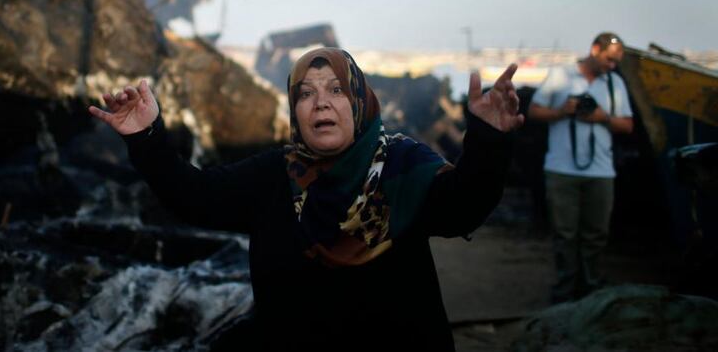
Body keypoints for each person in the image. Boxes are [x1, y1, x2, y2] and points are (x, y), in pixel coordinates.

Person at [89, 47, 524, 351]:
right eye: (306, 93)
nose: (321, 103)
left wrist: (488, 140)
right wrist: (146, 137)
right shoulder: (273, 175)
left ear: (358, 102)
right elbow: (193, 196)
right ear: (294, 109)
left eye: (336, 90)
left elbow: (463, 208)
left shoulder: (401, 165)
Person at [528, 32, 634, 303]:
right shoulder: (561, 76)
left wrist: (602, 117)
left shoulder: (615, 83)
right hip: (561, 169)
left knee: (596, 234)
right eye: (609, 59)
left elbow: (627, 125)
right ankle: (565, 290)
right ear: (595, 50)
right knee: (565, 235)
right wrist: (561, 112)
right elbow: (534, 111)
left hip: (601, 171)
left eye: (617, 61)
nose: (612, 65)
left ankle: (590, 289)